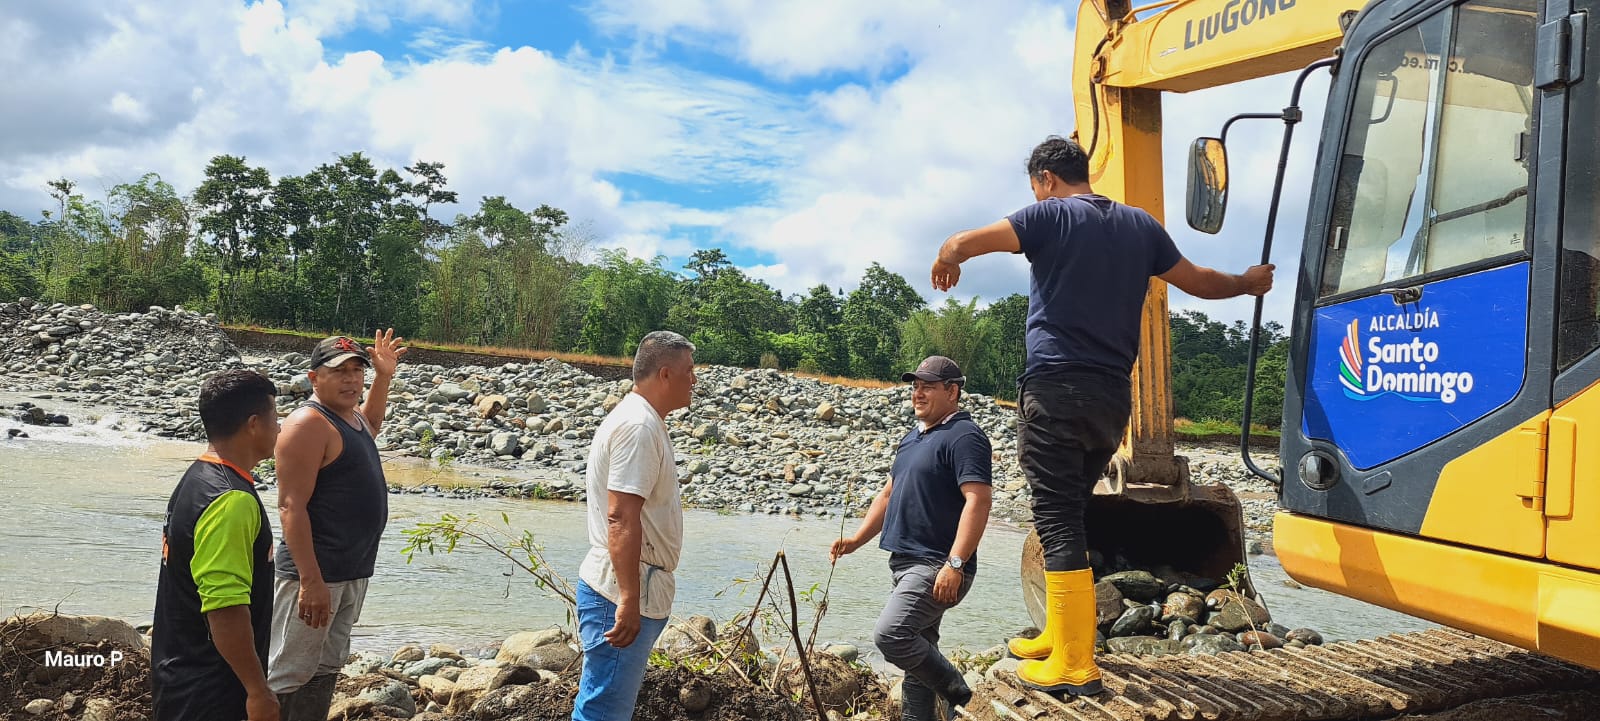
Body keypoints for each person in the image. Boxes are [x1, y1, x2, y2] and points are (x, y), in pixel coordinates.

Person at [929, 135, 1273, 695]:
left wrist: (946, 256)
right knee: (1071, 511)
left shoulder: (1049, 215)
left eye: (1036, 187)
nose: (1036, 196)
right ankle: (1060, 633)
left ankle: (1074, 662)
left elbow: (964, 241)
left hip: (1056, 390)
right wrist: (1247, 284)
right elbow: (1201, 282)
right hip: (1112, 397)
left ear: (1045, 179)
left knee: (1057, 517)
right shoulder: (1141, 226)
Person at [831, 355, 993, 720]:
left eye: (927, 387)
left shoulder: (965, 437)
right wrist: (856, 540)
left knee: (892, 635)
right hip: (904, 562)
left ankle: (957, 691)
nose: (917, 393)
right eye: (915, 386)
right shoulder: (913, 438)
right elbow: (888, 494)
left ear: (952, 392)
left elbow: (979, 500)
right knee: (920, 651)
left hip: (936, 564)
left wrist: (955, 564)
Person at [268, 331, 405, 720]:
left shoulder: (350, 416)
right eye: (339, 371)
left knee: (327, 665)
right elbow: (290, 506)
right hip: (316, 574)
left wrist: (383, 376)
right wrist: (310, 581)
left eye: (357, 371)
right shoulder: (308, 423)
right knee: (288, 671)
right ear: (314, 378)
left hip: (351, 570)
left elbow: (372, 423)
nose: (351, 379)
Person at [572, 331, 698, 721]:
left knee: (607, 705)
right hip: (620, 590)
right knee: (603, 710)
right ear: (665, 374)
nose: (694, 380)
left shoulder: (644, 420)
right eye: (689, 371)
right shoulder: (639, 426)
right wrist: (628, 599)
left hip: (630, 586)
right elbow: (621, 516)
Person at [152, 369, 282, 721]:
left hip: (179, 677)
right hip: (212, 691)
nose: (279, 428)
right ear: (254, 424)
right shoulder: (231, 500)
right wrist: (257, 691)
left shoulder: (197, 477)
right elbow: (226, 609)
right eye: (275, 417)